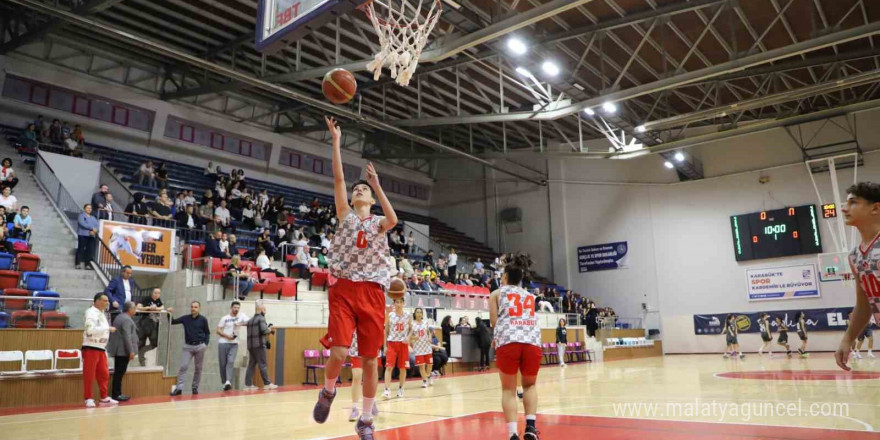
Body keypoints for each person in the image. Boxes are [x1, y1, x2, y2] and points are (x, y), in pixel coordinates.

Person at [312, 116, 398, 440]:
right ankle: (329, 392)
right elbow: (337, 178)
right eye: (357, 188)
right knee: (339, 352)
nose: (357, 189)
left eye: (363, 188)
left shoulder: (378, 222)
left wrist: (376, 184)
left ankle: (366, 420)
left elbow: (393, 218)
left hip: (373, 292)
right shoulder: (345, 215)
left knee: (371, 361)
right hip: (345, 289)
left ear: (371, 198)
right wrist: (335, 141)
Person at [489, 253, 541, 440]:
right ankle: (531, 428)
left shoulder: (496, 293)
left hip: (509, 341)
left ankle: (512, 434)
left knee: (508, 390)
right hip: (532, 341)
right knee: (529, 386)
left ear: (504, 277)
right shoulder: (530, 296)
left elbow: (494, 322)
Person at [82, 293, 117, 407]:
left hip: (101, 348)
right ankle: (88, 398)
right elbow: (90, 330)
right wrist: (107, 328)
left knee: (104, 374)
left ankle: (104, 397)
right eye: (105, 300)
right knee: (89, 375)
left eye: (108, 301)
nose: (107, 303)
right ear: (97, 301)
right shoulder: (91, 312)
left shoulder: (102, 313)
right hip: (91, 347)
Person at [171, 301, 210, 396]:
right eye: (192, 307)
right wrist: (170, 314)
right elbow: (173, 322)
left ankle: (195, 387)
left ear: (199, 308)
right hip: (187, 347)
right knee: (183, 366)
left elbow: (207, 332)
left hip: (200, 346)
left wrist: (205, 344)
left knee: (198, 368)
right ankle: (179, 388)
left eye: (195, 307)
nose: (193, 308)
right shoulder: (185, 318)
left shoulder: (203, 319)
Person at [107, 301, 138, 402]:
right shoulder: (126, 320)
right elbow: (127, 336)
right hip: (123, 350)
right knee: (120, 373)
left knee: (119, 373)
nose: (135, 310)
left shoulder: (120, 317)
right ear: (130, 309)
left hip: (119, 349)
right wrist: (131, 351)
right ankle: (117, 394)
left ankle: (117, 393)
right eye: (134, 308)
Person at [245, 300, 278, 391]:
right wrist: (270, 329)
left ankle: (248, 385)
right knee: (262, 364)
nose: (265, 312)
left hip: (250, 345)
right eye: (265, 310)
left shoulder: (250, 320)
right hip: (259, 345)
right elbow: (264, 331)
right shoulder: (261, 318)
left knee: (251, 365)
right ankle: (267, 383)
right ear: (261, 309)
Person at [348, 332, 380, 421]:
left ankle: (372, 400)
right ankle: (354, 408)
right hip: (356, 347)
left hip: (371, 345)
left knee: (372, 375)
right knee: (357, 376)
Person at [217, 301, 249, 391]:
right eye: (235, 307)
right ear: (231, 308)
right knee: (223, 364)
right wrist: (227, 336)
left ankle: (228, 381)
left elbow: (250, 322)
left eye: (238, 308)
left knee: (230, 361)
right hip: (223, 343)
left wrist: (240, 324)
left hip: (234, 344)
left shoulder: (241, 316)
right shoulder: (225, 318)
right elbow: (218, 330)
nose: (236, 309)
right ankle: (224, 382)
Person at [383, 297, 411, 399]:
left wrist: (408, 337)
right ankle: (387, 390)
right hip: (392, 343)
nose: (398, 304)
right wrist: (385, 345)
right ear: (393, 303)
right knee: (389, 367)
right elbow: (385, 331)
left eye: (400, 302)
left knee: (403, 368)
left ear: (404, 303)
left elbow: (411, 329)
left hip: (403, 344)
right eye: (396, 302)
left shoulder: (408, 315)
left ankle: (401, 388)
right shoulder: (390, 315)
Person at [136, 288, 171, 366]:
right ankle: (142, 362)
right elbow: (138, 307)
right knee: (141, 342)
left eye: (158, 293)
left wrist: (156, 308)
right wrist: (148, 308)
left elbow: (162, 307)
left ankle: (142, 351)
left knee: (155, 343)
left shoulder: (158, 300)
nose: (157, 294)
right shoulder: (147, 299)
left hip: (154, 324)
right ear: (152, 293)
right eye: (155, 293)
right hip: (145, 323)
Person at [410, 308, 434, 388]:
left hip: (427, 346)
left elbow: (428, 332)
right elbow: (409, 336)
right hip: (418, 347)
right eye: (417, 312)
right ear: (415, 314)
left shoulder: (425, 322)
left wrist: (430, 337)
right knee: (421, 366)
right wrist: (414, 338)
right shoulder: (412, 324)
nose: (419, 314)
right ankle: (424, 381)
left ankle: (428, 376)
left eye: (420, 312)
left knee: (430, 364)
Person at [76, 204, 99, 270]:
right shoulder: (81, 216)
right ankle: (78, 263)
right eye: (88, 208)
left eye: (90, 208)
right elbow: (82, 223)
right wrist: (92, 228)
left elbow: (97, 226)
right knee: (81, 249)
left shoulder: (93, 217)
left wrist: (95, 231)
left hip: (91, 236)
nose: (89, 209)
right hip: (82, 235)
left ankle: (87, 265)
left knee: (89, 250)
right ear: (84, 209)